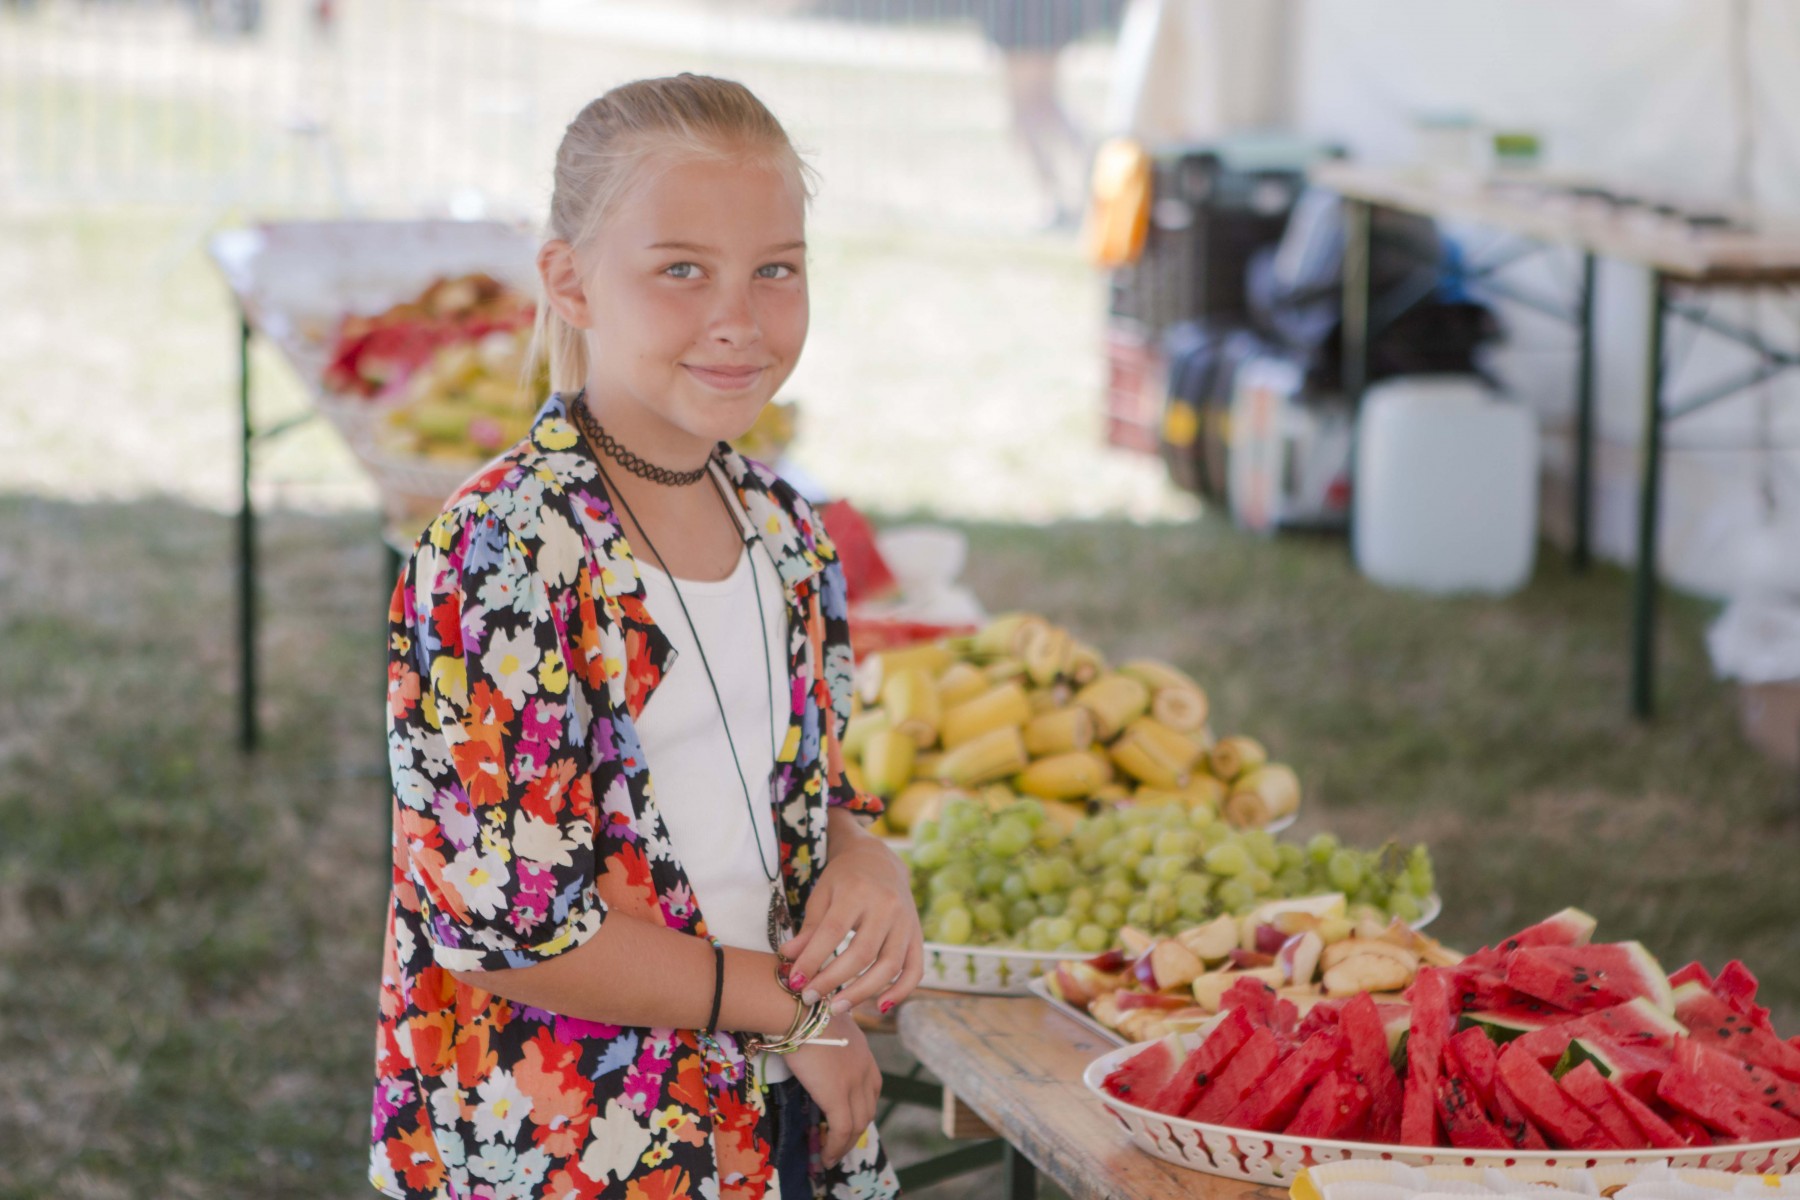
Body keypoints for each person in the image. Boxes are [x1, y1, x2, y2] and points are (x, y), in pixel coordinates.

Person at [369, 74, 921, 1200]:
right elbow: (514, 927)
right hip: (573, 1142)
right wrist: (795, 1011)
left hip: (771, 1118)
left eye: (776, 269)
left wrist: (865, 856)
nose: (739, 319)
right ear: (570, 281)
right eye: (682, 270)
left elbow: (804, 782)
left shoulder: (787, 528)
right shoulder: (501, 554)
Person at [978, 0, 1124, 229]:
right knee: (1043, 104)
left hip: (1023, 17)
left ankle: (1056, 198)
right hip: (1048, 15)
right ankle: (1092, 162)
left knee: (1024, 111)